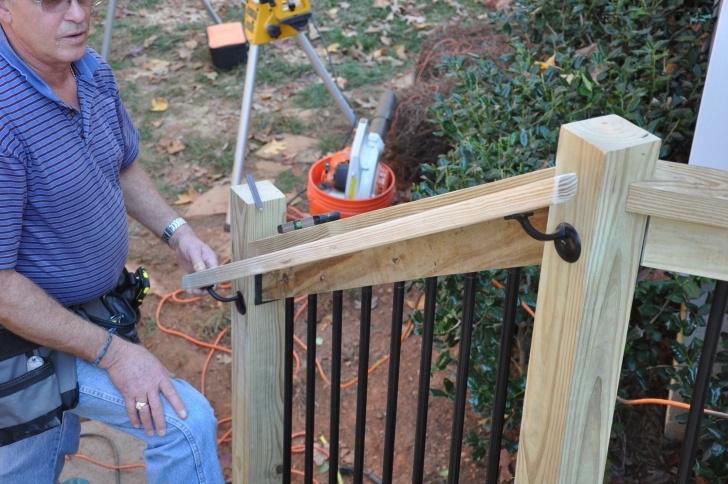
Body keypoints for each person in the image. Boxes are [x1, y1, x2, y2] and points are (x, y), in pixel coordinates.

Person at [0, 0, 225, 482]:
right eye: (53, 2)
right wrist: (117, 355)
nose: (79, 15)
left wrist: (176, 232)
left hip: (88, 313)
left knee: (42, 449)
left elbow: (120, 163)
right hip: (19, 340)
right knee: (186, 427)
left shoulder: (91, 71)